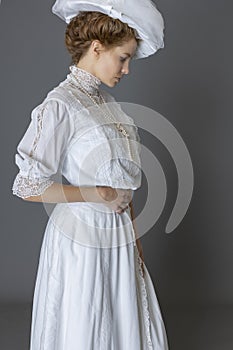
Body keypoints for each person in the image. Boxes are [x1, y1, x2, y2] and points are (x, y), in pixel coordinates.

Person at [12, 1, 169, 349]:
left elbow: (121, 184)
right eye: (123, 58)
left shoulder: (108, 104)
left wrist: (137, 249)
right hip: (82, 239)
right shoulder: (61, 104)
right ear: (97, 48)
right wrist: (93, 193)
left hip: (119, 236)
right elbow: (27, 184)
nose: (127, 69)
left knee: (121, 322)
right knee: (89, 322)